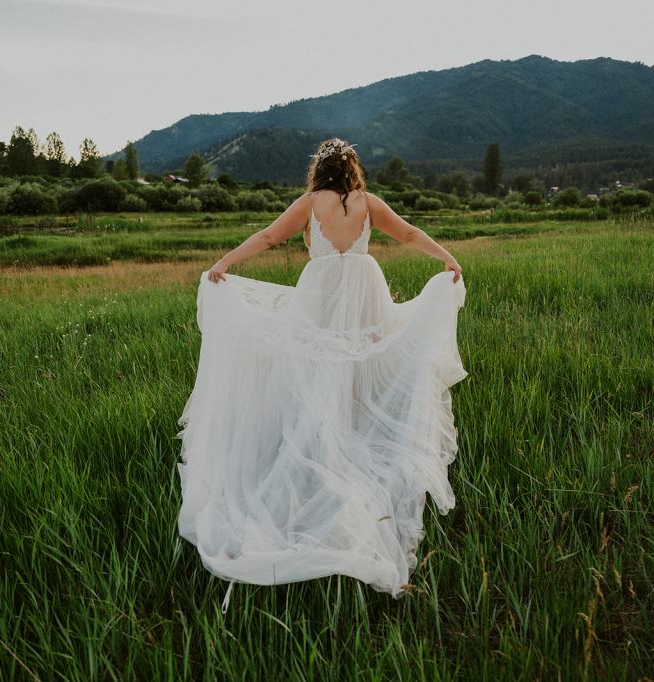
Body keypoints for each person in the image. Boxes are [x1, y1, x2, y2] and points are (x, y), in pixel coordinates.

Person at [175, 137, 467, 612]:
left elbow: (269, 236)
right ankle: (346, 440)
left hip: (321, 295)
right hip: (365, 292)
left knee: (316, 371)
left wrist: (224, 263)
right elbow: (411, 234)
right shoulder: (369, 204)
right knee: (358, 370)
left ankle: (324, 448)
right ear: (353, 171)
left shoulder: (311, 204)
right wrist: (447, 258)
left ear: (319, 171)